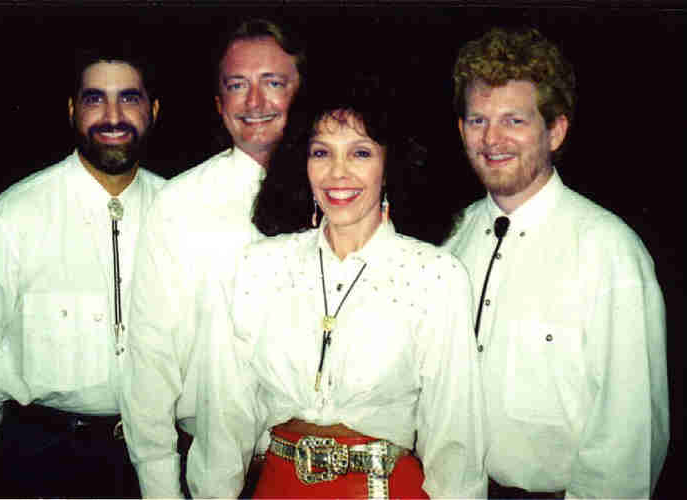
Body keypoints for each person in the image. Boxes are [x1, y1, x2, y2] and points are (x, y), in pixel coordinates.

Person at [186, 85, 487, 498]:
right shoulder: (258, 268)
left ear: (389, 165)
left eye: (360, 153)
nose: (338, 173)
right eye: (321, 152)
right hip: (279, 488)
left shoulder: (434, 277)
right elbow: (224, 416)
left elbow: (455, 438)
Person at [0, 47, 165, 497]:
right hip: (46, 464)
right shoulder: (10, 221)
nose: (113, 116)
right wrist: (8, 455)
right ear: (72, 110)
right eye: (95, 99)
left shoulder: (180, 216)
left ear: (153, 110)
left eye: (129, 98)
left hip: (161, 464)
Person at [444, 27, 669, 498]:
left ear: (555, 131)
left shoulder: (608, 251)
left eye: (514, 120)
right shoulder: (450, 242)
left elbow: (628, 441)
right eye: (478, 120)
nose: (492, 139)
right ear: (462, 130)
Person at [119, 18, 305, 497]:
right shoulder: (180, 204)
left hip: (318, 470)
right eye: (237, 85)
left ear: (301, 92)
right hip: (210, 475)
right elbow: (151, 358)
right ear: (220, 103)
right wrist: (160, 485)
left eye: (273, 83)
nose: (255, 102)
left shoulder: (341, 195)